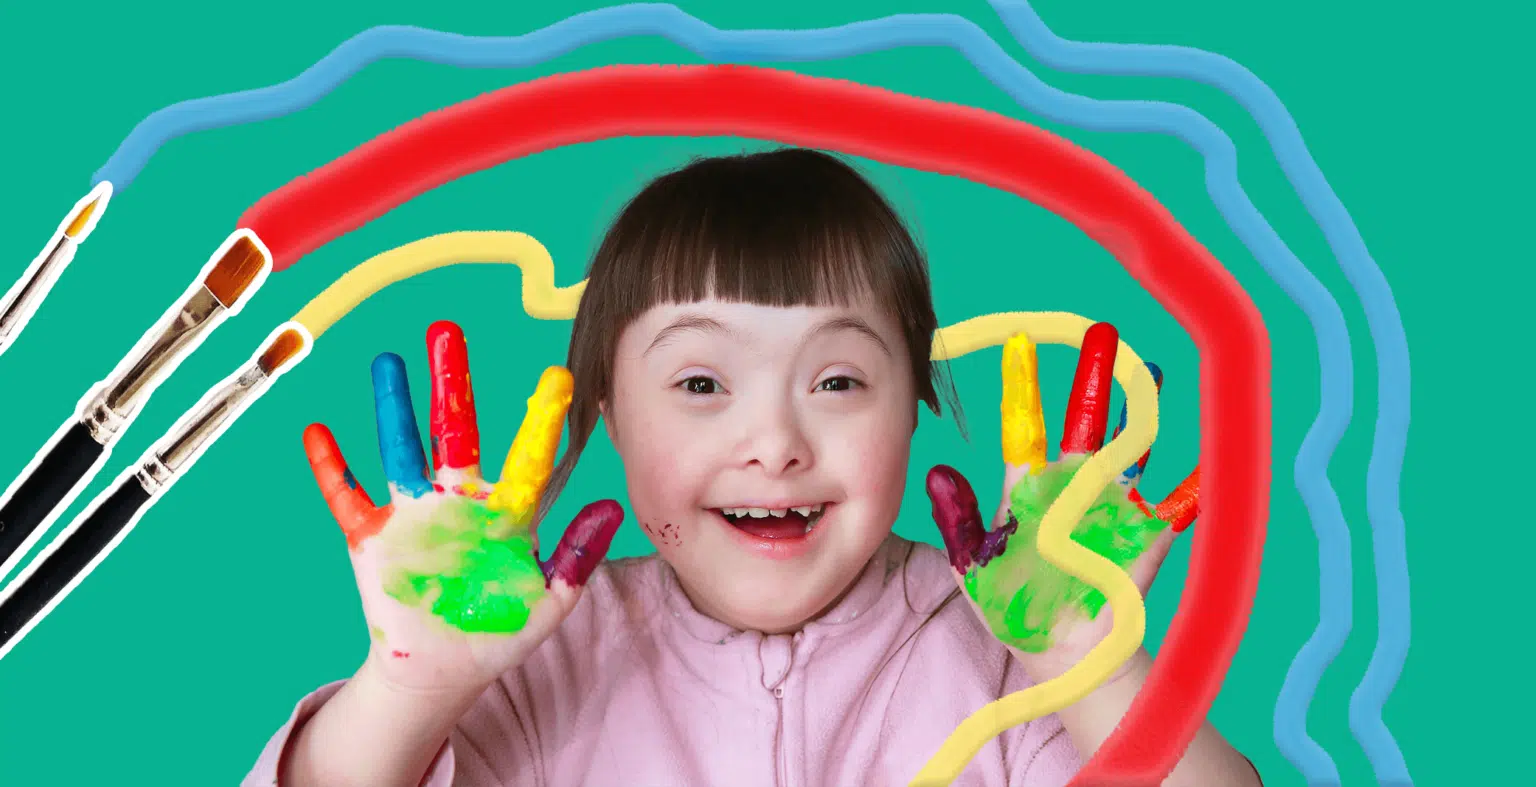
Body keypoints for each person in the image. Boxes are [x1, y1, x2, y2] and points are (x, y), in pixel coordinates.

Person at [243, 148, 1261, 786]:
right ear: (605, 415)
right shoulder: (529, 651)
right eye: (698, 385)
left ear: (914, 408)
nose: (775, 442)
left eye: (836, 382)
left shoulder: (997, 649)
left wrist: (1091, 667)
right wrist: (411, 689)